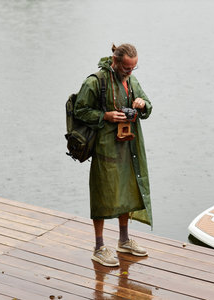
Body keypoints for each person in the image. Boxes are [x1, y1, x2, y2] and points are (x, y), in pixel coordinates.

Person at [74, 43, 153, 267]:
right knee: (102, 192)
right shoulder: (95, 81)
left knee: (127, 189)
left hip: (129, 145)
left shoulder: (131, 81)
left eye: (133, 68)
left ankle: (124, 240)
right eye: (127, 68)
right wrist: (106, 116)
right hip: (105, 147)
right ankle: (99, 246)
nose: (130, 72)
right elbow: (80, 111)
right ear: (115, 61)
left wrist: (141, 104)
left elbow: (148, 106)